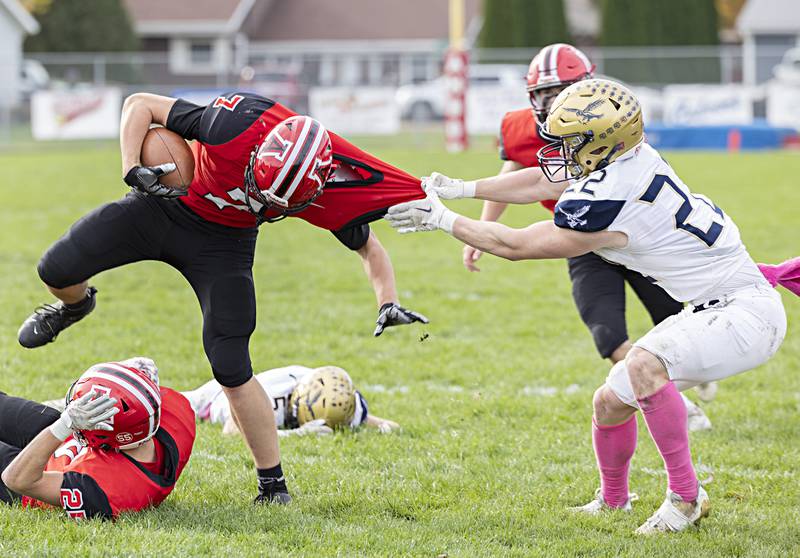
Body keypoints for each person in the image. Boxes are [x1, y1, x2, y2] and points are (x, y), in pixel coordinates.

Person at [385, 79, 790, 534]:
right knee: (609, 403)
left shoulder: (616, 196)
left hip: (744, 314)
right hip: (715, 306)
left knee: (643, 365)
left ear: (604, 141)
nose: (562, 149)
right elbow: (543, 178)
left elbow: (515, 245)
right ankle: (614, 501)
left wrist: (441, 218)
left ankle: (686, 498)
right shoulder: (628, 159)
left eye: (573, 140)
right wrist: (460, 188)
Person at [17, 93, 427, 504]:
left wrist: (386, 300)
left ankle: (273, 484)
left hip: (225, 244)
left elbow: (368, 248)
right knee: (56, 269)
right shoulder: (233, 126)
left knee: (231, 362)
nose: (260, 196)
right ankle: (75, 305)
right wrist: (132, 169)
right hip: (162, 206)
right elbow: (138, 104)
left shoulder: (324, 190)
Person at [464, 43, 713, 429]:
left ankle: (692, 372)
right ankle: (678, 402)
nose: (551, 101)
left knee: (676, 318)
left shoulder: (611, 122)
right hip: (579, 241)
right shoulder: (518, 127)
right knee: (607, 332)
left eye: (559, 90)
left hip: (632, 236)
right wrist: (479, 229)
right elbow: (513, 172)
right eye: (543, 93)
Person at [0, 357, 195, 519]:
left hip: (30, 473)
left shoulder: (109, 488)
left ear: (109, 437)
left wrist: (65, 424)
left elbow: (15, 479)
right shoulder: (177, 414)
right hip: (62, 440)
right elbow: (135, 398)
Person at [182, 365, 399, 436]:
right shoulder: (275, 396)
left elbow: (386, 424)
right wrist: (297, 434)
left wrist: (385, 427)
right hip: (213, 398)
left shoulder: (338, 399)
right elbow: (232, 429)